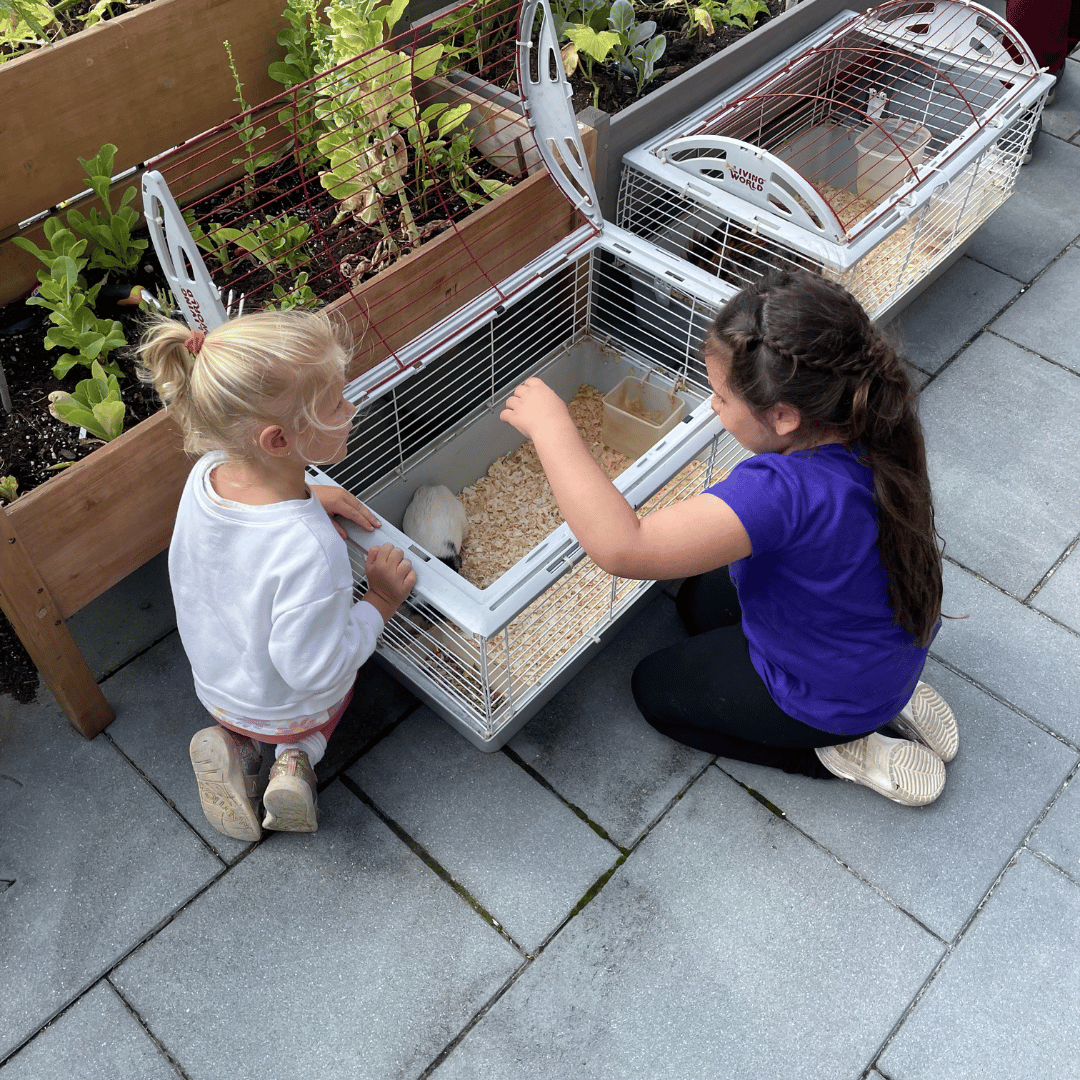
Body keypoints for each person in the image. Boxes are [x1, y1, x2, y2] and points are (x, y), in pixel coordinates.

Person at [501, 268, 958, 807]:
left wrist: (553, 428)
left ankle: (833, 748)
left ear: (784, 415)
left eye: (720, 398)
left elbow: (623, 546)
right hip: (879, 649)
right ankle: (880, 698)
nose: (711, 408)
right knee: (698, 603)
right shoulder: (874, 416)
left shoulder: (782, 493)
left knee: (655, 691)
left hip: (832, 694)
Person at [138, 310, 415, 840]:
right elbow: (318, 668)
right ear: (278, 441)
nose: (351, 408)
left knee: (260, 695)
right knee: (336, 689)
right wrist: (379, 600)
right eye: (336, 403)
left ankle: (236, 745)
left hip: (218, 683)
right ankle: (296, 761)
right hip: (282, 706)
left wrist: (313, 493)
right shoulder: (311, 549)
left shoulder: (208, 474)